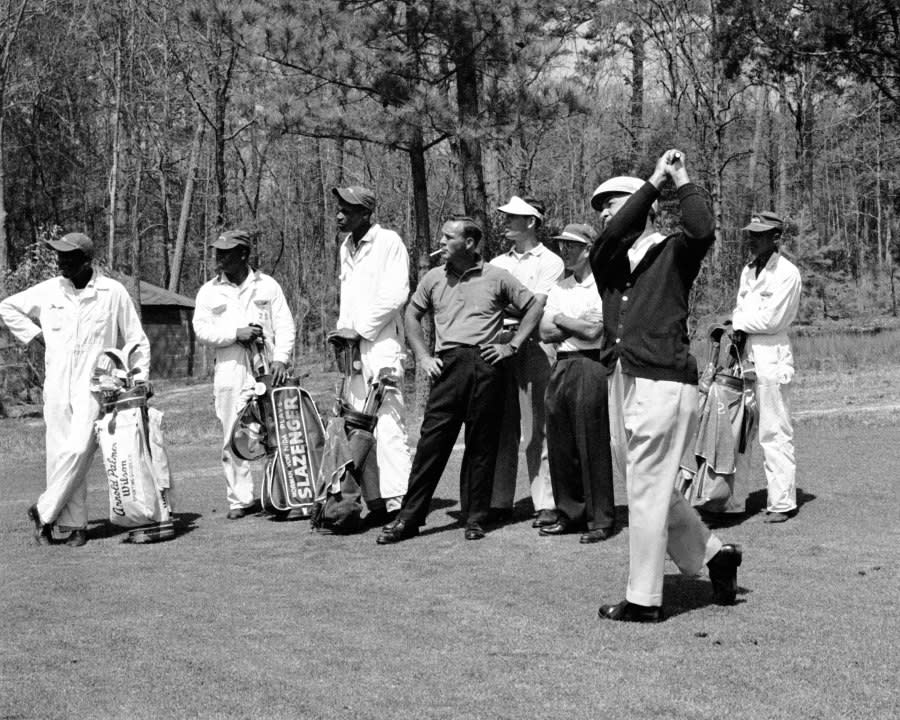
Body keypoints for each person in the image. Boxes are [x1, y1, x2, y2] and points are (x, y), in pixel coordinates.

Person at [589, 150, 743, 622]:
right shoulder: (609, 258)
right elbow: (612, 235)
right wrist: (650, 186)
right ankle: (716, 554)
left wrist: (674, 178)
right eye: (601, 208)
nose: (606, 213)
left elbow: (702, 229)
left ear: (645, 204)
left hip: (664, 378)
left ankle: (643, 599)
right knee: (646, 486)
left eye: (615, 202)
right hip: (622, 376)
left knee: (647, 489)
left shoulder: (675, 250)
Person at [376, 216, 542, 544]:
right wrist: (423, 356)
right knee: (431, 444)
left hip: (487, 364)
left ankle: (475, 518)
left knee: (482, 445)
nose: (440, 241)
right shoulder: (434, 278)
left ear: (468, 243)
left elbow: (534, 306)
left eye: (448, 237)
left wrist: (512, 344)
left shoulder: (497, 276)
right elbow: (411, 314)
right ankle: (409, 518)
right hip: (448, 366)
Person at [0, 231, 150, 547]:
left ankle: (43, 511)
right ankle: (74, 526)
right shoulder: (49, 290)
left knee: (80, 448)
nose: (61, 261)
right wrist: (35, 335)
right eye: (59, 255)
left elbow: (136, 339)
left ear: (86, 260)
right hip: (55, 384)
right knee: (59, 455)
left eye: (68, 256)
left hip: (95, 385)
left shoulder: (112, 292)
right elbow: (7, 307)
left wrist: (139, 378)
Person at [193, 229, 295, 519]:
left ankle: (279, 493)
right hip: (230, 368)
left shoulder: (267, 286)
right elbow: (201, 330)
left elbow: (285, 325)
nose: (220, 258)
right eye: (218, 252)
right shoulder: (209, 291)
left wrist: (281, 360)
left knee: (274, 430)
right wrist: (234, 334)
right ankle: (240, 499)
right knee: (232, 432)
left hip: (267, 369)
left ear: (244, 254)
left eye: (226, 253)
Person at [332, 185, 411, 521]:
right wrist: (343, 334)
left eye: (347, 210)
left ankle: (399, 502)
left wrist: (360, 329)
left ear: (366, 213)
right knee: (357, 425)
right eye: (339, 208)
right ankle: (375, 501)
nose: (339, 214)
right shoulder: (345, 247)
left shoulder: (388, 241)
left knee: (389, 425)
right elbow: (348, 297)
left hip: (382, 345)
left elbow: (396, 294)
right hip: (353, 350)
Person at [489, 195, 564, 528]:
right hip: (498, 343)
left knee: (537, 427)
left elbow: (536, 307)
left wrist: (516, 307)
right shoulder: (495, 263)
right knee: (502, 424)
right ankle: (498, 500)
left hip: (534, 346)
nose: (505, 221)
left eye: (513, 217)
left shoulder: (550, 261)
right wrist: (517, 306)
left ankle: (545, 501)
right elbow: (493, 306)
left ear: (531, 222)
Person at [538, 223, 615, 544]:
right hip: (562, 365)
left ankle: (600, 518)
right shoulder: (560, 287)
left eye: (571, 245)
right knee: (560, 442)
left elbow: (594, 333)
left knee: (591, 441)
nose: (564, 251)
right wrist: (573, 323)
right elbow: (544, 332)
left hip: (591, 364)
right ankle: (569, 512)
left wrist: (561, 320)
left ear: (588, 249)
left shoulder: (602, 286)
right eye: (561, 245)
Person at [732, 211, 802, 523]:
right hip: (743, 354)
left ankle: (782, 501)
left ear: (776, 237)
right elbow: (741, 308)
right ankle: (729, 501)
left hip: (772, 355)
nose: (753, 239)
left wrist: (734, 322)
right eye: (751, 233)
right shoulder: (748, 271)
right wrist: (736, 325)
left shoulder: (787, 273)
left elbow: (772, 321)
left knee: (774, 430)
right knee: (737, 429)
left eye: (760, 234)